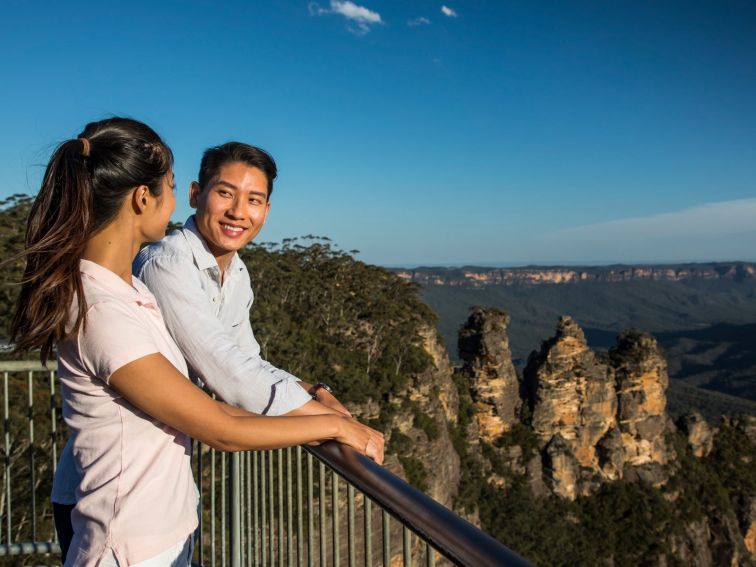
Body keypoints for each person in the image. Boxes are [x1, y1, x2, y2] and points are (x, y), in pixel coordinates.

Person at [10, 118, 384, 567]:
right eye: (169, 188)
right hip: (120, 528)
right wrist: (335, 426)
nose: (238, 211)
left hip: (156, 519)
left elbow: (236, 369)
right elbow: (224, 407)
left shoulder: (137, 291)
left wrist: (317, 398)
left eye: (255, 199)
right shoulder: (124, 298)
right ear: (146, 198)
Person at [132, 141, 352, 420]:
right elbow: (223, 367)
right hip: (124, 456)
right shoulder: (167, 264)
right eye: (225, 193)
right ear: (195, 195)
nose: (238, 211)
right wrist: (330, 421)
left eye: (254, 200)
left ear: (266, 211)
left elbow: (246, 359)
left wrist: (315, 391)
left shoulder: (237, 274)